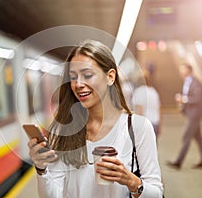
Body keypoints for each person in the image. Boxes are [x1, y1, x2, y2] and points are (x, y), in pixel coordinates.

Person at [27, 39, 163, 198]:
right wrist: (41, 168)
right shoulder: (63, 129)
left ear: (110, 77)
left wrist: (132, 182)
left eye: (87, 75)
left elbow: (157, 193)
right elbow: (53, 195)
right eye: (73, 77)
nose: (78, 84)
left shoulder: (137, 128)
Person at [167, 63, 202, 169]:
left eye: (183, 69)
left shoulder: (195, 83)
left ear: (189, 70)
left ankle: (178, 162)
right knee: (198, 137)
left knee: (187, 136)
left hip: (195, 114)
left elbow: (198, 99)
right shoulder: (187, 81)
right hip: (191, 113)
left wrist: (184, 99)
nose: (181, 71)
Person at [131, 70, 161, 139]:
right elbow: (159, 109)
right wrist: (160, 125)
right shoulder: (153, 91)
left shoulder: (138, 92)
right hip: (155, 122)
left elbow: (139, 111)